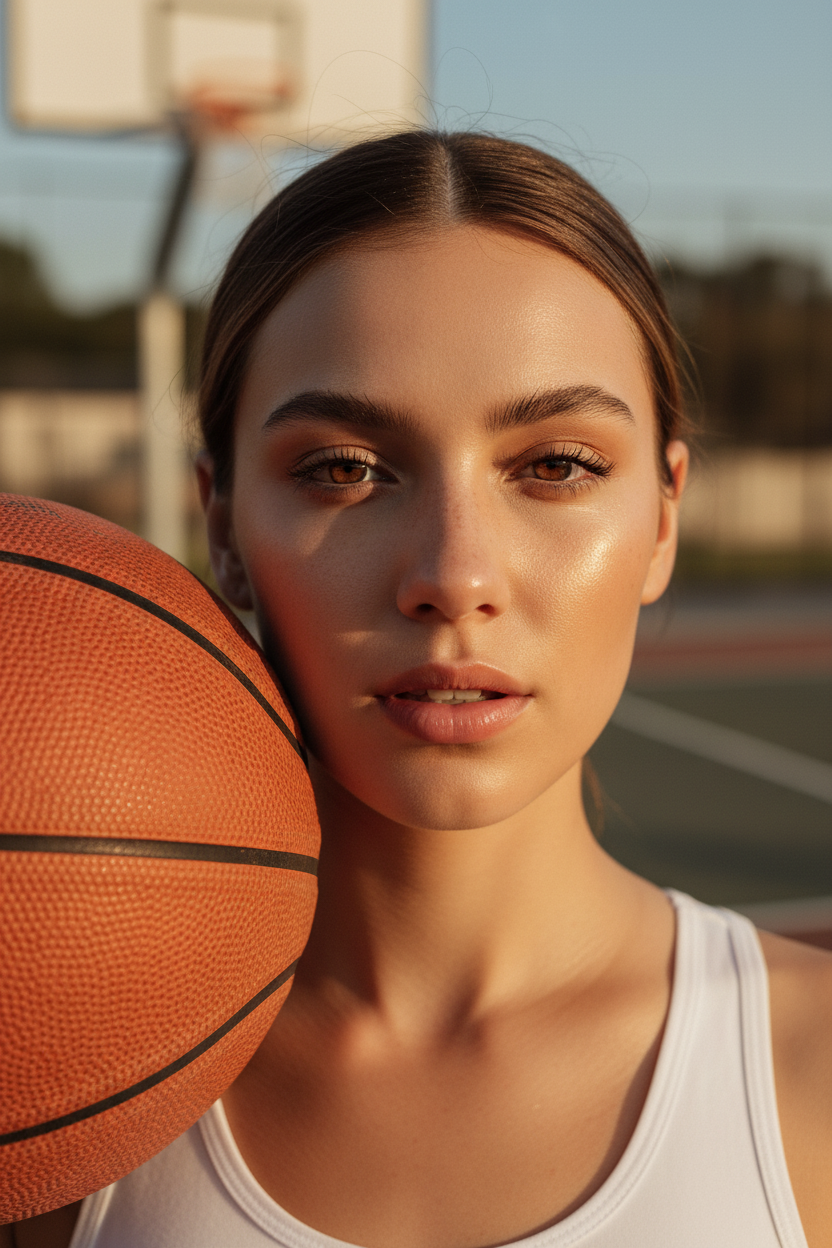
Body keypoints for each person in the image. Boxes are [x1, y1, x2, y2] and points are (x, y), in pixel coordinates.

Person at [7, 130, 832, 1248]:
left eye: (557, 466)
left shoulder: (813, 1074)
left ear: (662, 519)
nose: (454, 574)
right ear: (223, 526)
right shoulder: (50, 1090)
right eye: (344, 469)